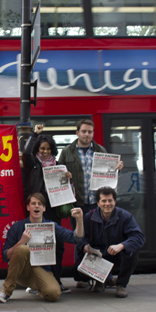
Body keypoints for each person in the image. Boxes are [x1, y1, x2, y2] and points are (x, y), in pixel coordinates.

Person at [58, 119, 124, 289]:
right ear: (77, 132)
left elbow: (110, 181)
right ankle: (82, 277)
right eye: (84, 131)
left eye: (90, 132)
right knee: (80, 239)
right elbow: (57, 175)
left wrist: (116, 170)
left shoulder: (101, 151)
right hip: (77, 203)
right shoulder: (66, 152)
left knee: (100, 240)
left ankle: (103, 276)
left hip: (97, 204)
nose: (87, 135)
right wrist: (63, 175)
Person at [0, 193, 84, 303]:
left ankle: (38, 289)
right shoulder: (17, 227)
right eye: (33, 204)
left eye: (40, 204)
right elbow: (5, 256)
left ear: (44, 208)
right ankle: (6, 291)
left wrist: (79, 220)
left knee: (54, 294)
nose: (36, 206)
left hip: (42, 270)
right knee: (23, 249)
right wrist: (21, 242)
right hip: (22, 271)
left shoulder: (52, 226)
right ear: (28, 207)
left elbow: (75, 238)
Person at [23, 124, 72, 293]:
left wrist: (68, 179)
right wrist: (35, 134)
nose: (45, 152)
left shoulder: (59, 166)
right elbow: (26, 153)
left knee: (57, 246)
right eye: (42, 148)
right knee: (36, 247)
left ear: (53, 150)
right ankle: (36, 283)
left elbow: (66, 190)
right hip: (37, 212)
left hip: (53, 211)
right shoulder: (33, 164)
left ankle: (57, 280)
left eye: (49, 149)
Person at [77, 187, 145, 298]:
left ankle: (121, 285)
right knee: (79, 267)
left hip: (117, 254)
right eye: (104, 201)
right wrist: (84, 246)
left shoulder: (125, 216)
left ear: (115, 202)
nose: (107, 204)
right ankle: (101, 281)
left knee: (133, 250)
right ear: (98, 203)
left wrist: (122, 245)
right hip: (99, 255)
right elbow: (81, 238)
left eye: (110, 201)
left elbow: (139, 237)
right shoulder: (88, 217)